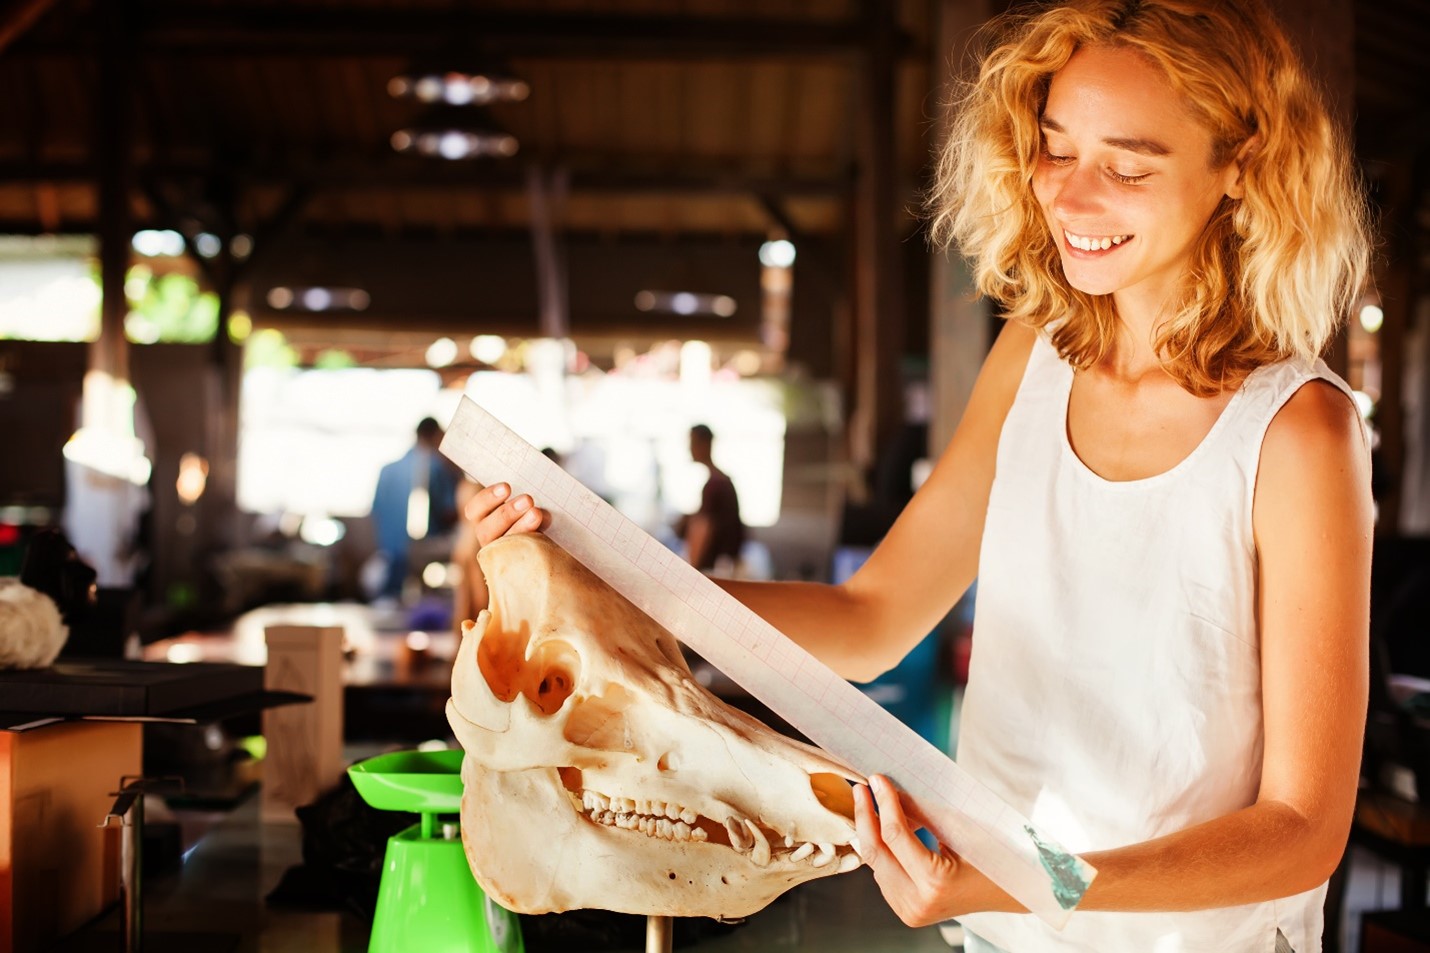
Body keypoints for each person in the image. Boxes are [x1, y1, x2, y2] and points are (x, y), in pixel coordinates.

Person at [464, 0, 1373, 949]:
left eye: (1129, 167)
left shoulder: (1297, 430)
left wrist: (1032, 882)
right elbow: (872, 620)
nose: (1069, 197)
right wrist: (611, 581)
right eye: (1056, 149)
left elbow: (1302, 834)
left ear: (1241, 168)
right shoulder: (1033, 356)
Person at [371, 417, 458, 602]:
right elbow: (450, 512)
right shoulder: (437, 468)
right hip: (422, 558)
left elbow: (375, 513)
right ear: (436, 436)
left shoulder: (387, 470)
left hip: (388, 559)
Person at [674, 424, 746, 574]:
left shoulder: (715, 485)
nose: (690, 448)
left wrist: (691, 571)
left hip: (713, 572)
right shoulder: (722, 481)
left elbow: (703, 528)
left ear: (705, 444)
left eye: (693, 443)